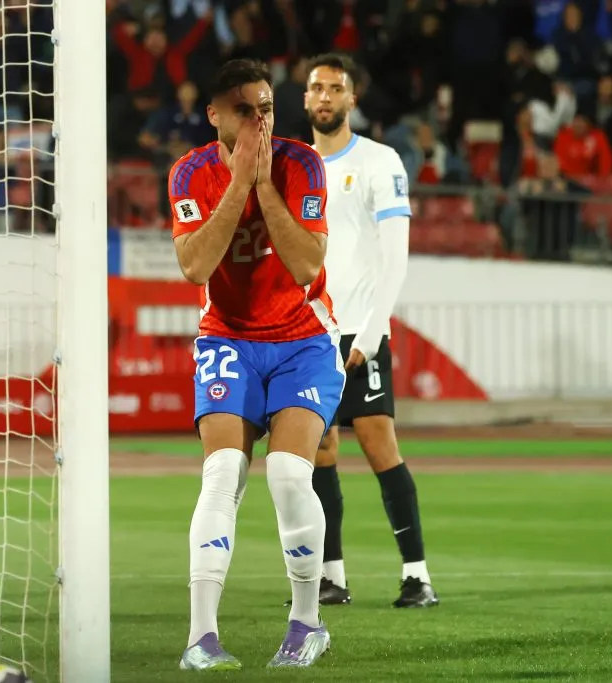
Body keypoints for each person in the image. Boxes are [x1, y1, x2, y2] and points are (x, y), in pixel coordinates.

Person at [170, 58, 344, 671]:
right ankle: (201, 639)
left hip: (303, 340)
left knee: (290, 478)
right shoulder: (190, 174)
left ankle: (306, 624)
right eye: (246, 109)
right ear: (215, 114)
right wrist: (239, 183)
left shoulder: (301, 164)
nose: (260, 119)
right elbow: (194, 268)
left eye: (267, 107)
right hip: (230, 337)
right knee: (222, 476)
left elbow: (306, 266)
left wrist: (263, 184)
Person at [300, 53, 438, 608]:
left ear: (352, 99)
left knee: (380, 443)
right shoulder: (294, 165)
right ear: (305, 99)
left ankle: (417, 576)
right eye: (317, 88)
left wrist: (374, 329)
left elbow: (395, 255)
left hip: (361, 330)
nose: (326, 96)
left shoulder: (381, 162)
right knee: (319, 450)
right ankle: (332, 576)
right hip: (308, 333)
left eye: (336, 88)